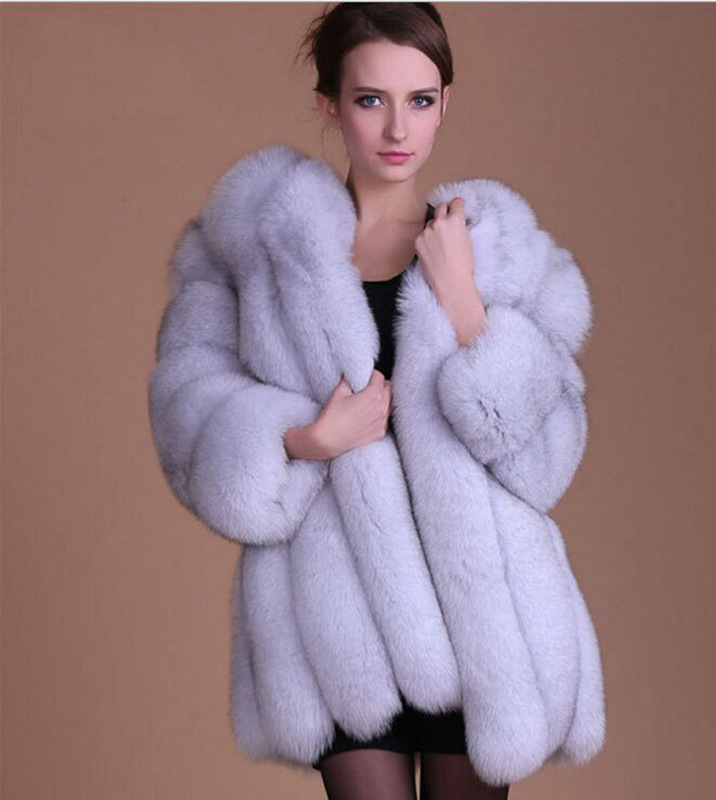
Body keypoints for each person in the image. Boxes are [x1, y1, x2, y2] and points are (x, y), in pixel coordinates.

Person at [148, 4, 605, 799]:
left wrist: (466, 306)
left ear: (445, 103)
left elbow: (545, 465)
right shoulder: (255, 251)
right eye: (371, 99)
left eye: (420, 100)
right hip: (337, 623)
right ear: (329, 105)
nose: (398, 128)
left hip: (481, 618)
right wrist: (302, 439)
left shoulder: (499, 254)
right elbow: (186, 411)